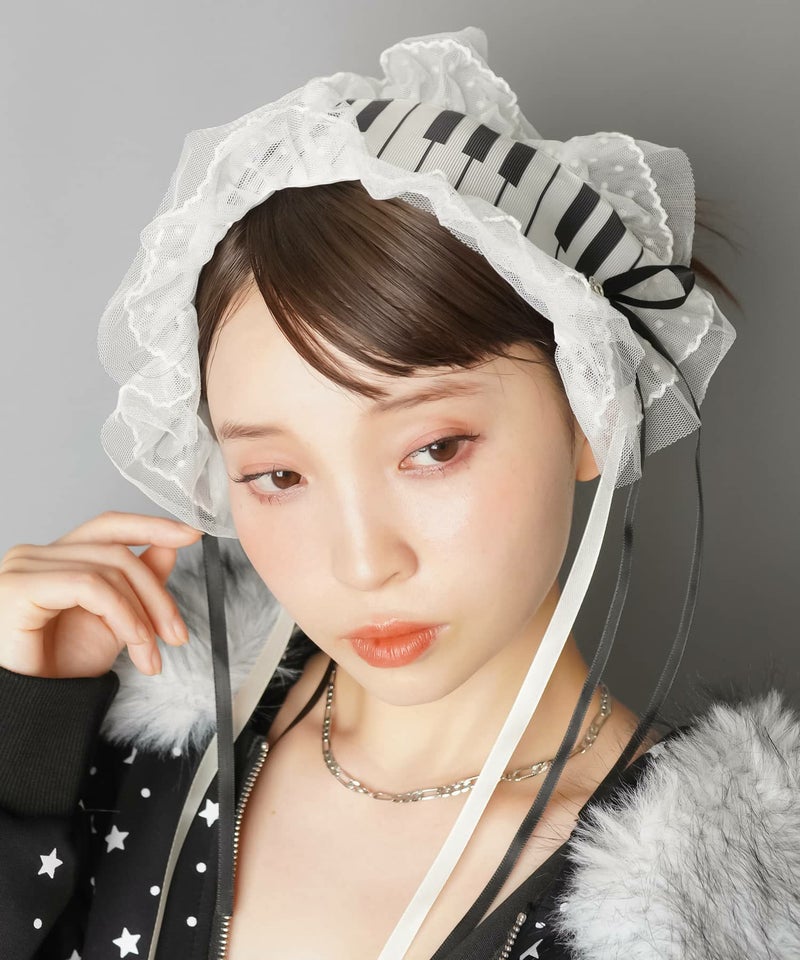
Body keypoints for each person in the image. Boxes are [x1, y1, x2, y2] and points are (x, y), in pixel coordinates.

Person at [1, 25, 798, 960]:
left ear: (592, 410)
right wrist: (22, 729)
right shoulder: (133, 748)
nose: (362, 562)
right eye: (278, 475)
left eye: (433, 449)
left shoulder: (702, 921)